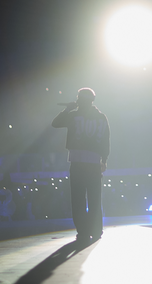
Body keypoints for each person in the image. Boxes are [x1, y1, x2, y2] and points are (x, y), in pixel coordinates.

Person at [51, 87, 110, 243]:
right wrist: (104, 160)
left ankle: (83, 232)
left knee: (78, 200)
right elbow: (106, 140)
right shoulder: (101, 117)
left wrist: (67, 109)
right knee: (95, 199)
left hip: (77, 162)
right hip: (94, 163)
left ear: (79, 99)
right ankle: (96, 230)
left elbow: (55, 123)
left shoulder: (74, 116)